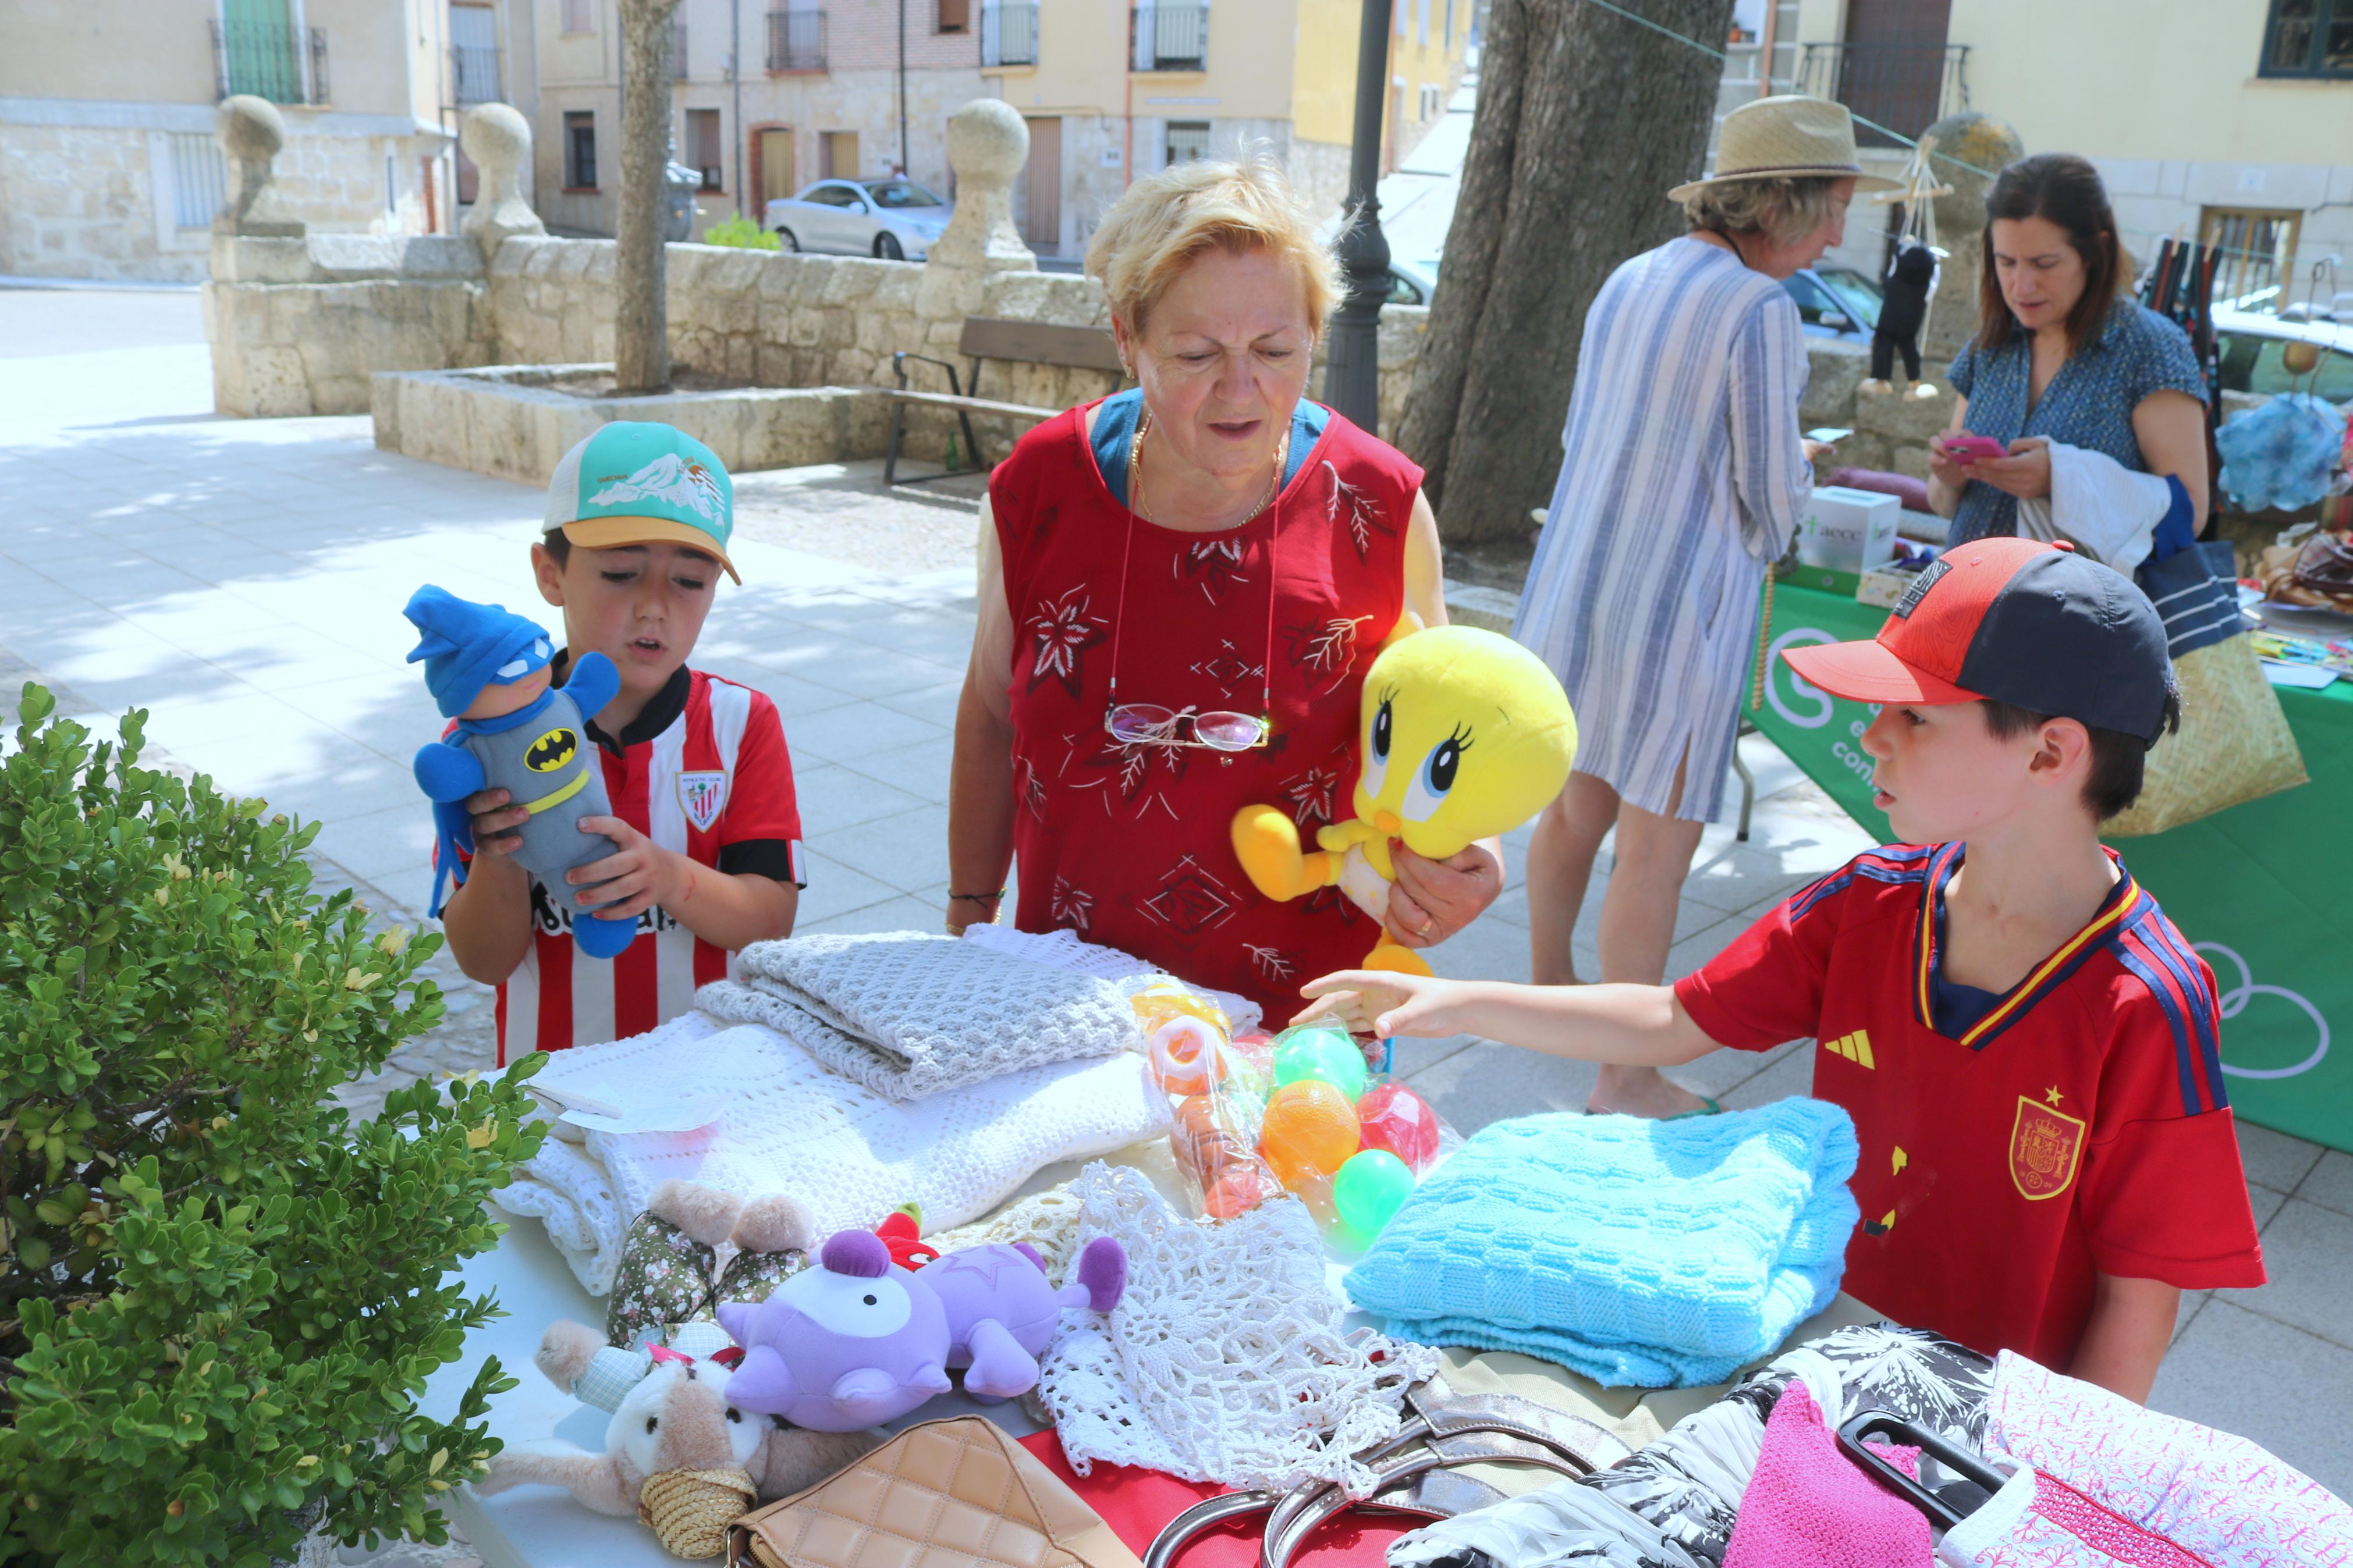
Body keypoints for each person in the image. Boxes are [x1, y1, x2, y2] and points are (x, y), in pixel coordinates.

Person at [1300, 538, 2267, 1403]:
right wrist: (1456, 999)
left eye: (1915, 716)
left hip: (1985, 1431)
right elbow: (1675, 1020)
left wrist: (2056, 1495)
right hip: (1808, 1363)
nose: (1874, 736)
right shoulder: (1871, 901)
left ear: (2050, 752)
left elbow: (2139, 1295)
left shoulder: (2146, 998)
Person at [946, 155, 1500, 1018]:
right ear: (1126, 338)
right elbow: (988, 710)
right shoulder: (1043, 486)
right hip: (1068, 1002)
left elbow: (1450, 730)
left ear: (1315, 331)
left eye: (1276, 349)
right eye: (1197, 353)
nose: (1241, 389)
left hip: (1301, 1019)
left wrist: (1469, 855)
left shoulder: (1378, 503)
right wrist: (968, 913)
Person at [1513, 95, 1888, 1118]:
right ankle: (1622, 1075)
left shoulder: (1631, 275)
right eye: (1834, 207)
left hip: (1578, 581)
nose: (1837, 235)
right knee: (1658, 845)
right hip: (1677, 606)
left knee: (1578, 799)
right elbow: (1768, 501)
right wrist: (1799, 485)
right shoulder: (1759, 310)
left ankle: (1550, 988)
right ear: (1788, 201)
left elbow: (1588, 433)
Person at [440, 422, 805, 1060]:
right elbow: (484, 962)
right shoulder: (479, 743)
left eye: (689, 582)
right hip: (549, 1088)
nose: (654, 606)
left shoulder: (742, 721)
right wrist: (498, 855)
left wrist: (667, 877)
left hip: (708, 1076)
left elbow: (769, 921)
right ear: (549, 573)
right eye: (620, 573)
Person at [1930, 154, 2210, 544]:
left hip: (2077, 603)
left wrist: (2061, 481)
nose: (2021, 286)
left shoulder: (2149, 348)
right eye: (2006, 262)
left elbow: (2190, 514)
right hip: (1967, 596)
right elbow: (1943, 505)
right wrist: (1950, 478)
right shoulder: (1990, 345)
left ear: (2094, 253)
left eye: (2044, 264)